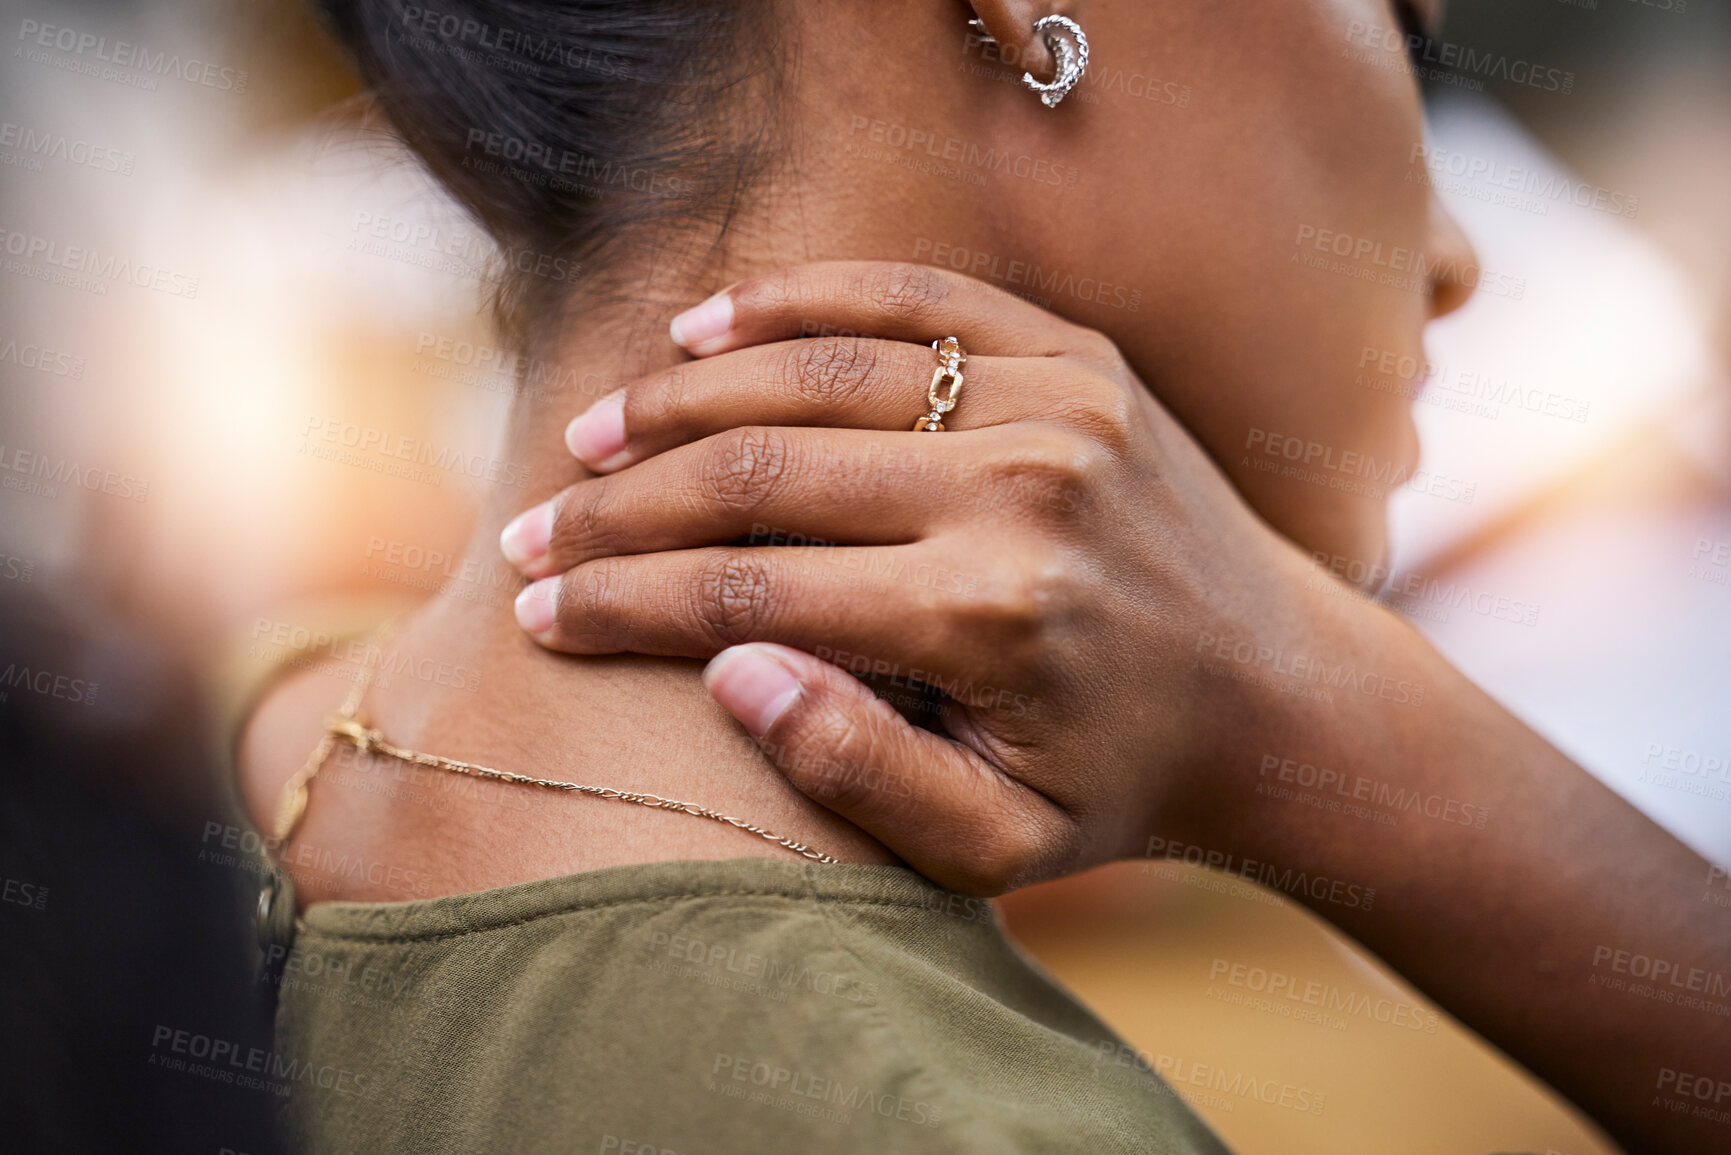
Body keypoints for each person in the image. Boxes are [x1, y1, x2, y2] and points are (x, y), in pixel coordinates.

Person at [239, 1, 1729, 1151]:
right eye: (1403, 21)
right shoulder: (945, 1120)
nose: (1459, 253)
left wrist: (1314, 719)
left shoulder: (233, 740)